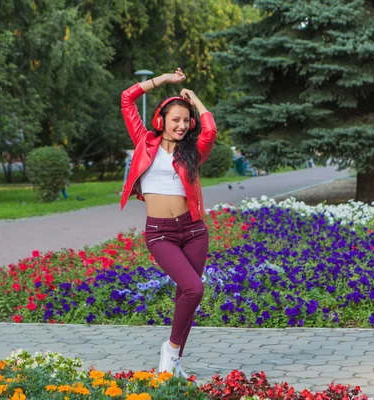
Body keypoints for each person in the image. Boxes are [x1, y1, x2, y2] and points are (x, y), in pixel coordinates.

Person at [120, 68, 217, 377]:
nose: (182, 125)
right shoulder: (143, 142)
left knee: (185, 296)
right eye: (175, 119)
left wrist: (195, 101)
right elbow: (127, 98)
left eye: (186, 121)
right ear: (161, 121)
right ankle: (172, 350)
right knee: (194, 289)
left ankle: (172, 363)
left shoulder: (193, 151)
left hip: (193, 231)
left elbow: (210, 132)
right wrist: (161, 80)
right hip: (160, 233)